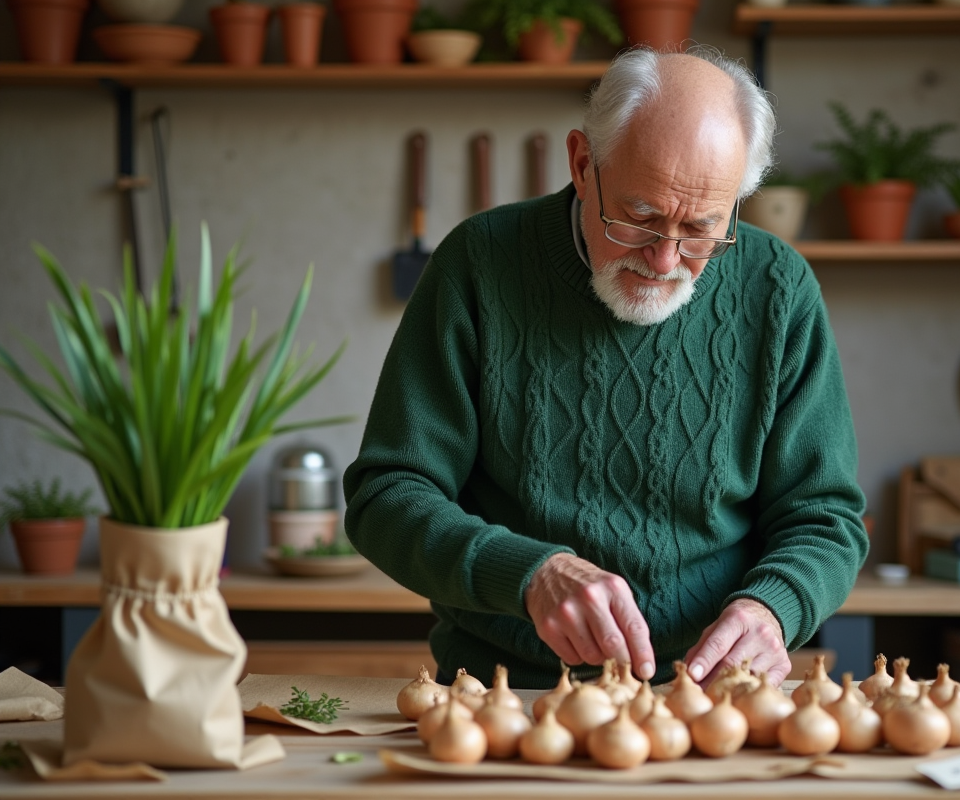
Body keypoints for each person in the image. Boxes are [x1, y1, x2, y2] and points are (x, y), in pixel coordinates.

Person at [343, 45, 869, 689]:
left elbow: (825, 518)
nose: (665, 259)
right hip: (505, 690)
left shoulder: (778, 286)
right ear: (583, 163)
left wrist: (773, 606)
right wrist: (529, 574)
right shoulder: (478, 264)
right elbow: (387, 495)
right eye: (639, 217)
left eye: (701, 229)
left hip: (710, 695)